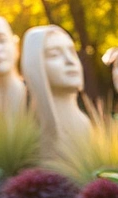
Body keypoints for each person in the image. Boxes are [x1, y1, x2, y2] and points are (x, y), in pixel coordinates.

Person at [20, 25, 90, 154]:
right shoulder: (32, 130)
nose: (70, 61)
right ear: (35, 65)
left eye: (72, 52)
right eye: (54, 55)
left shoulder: (84, 123)